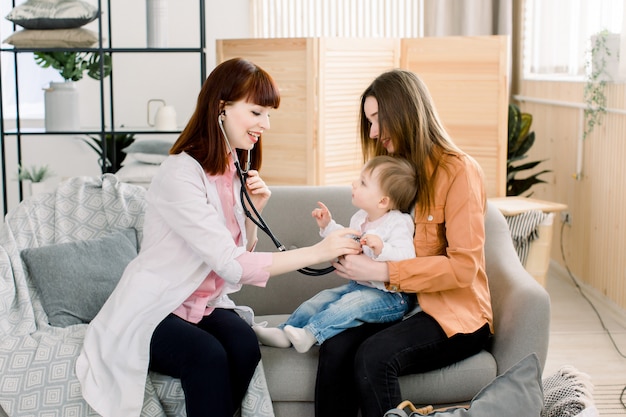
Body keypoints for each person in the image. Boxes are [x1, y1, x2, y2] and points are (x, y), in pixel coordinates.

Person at [75, 58, 362, 417]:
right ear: (221, 107)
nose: (265, 125)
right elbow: (233, 264)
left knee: (244, 345)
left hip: (201, 304)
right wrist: (318, 251)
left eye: (269, 114)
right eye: (257, 112)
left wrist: (252, 210)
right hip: (158, 306)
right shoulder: (180, 174)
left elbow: (233, 255)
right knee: (206, 357)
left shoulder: (231, 167)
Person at [314, 69, 494, 417]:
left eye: (377, 119)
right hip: (398, 304)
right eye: (369, 122)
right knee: (335, 347)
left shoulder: (460, 171)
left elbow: (463, 267)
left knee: (373, 356)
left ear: (406, 110)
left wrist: (380, 269)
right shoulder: (393, 174)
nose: (373, 132)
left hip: (454, 315)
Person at [253, 155, 418, 353]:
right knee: (319, 301)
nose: (354, 183)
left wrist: (382, 248)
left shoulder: (399, 222)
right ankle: (284, 332)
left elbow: (407, 257)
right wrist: (328, 226)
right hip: (359, 286)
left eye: (363, 183)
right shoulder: (360, 218)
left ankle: (311, 334)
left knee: (349, 305)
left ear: (383, 201)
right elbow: (349, 240)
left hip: (390, 298)